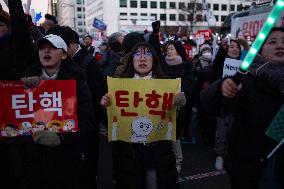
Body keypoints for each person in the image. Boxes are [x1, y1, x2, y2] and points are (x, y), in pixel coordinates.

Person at [200, 27, 284, 189]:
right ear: (260, 50)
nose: (280, 46)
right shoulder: (247, 80)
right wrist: (223, 89)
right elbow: (211, 103)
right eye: (272, 42)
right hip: (252, 170)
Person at [16, 34, 96, 189]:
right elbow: (15, 122)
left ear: (64, 54)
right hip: (34, 161)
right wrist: (21, 90)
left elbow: (88, 122)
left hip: (67, 160)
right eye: (42, 48)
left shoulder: (77, 83)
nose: (46, 51)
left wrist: (61, 138)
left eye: (52, 47)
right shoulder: (26, 81)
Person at [101, 42, 181, 189]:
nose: (142, 58)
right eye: (138, 54)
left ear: (154, 59)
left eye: (147, 54)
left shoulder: (166, 85)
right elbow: (112, 125)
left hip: (158, 152)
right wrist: (106, 105)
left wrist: (179, 105)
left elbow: (176, 127)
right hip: (128, 154)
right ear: (131, 60)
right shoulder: (119, 86)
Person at [162, 40, 194, 173]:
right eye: (168, 49)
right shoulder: (161, 65)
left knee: (175, 136)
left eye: (172, 49)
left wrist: (179, 95)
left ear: (179, 51)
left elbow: (189, 86)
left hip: (178, 108)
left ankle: (177, 161)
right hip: (162, 106)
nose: (169, 51)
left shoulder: (186, 66)